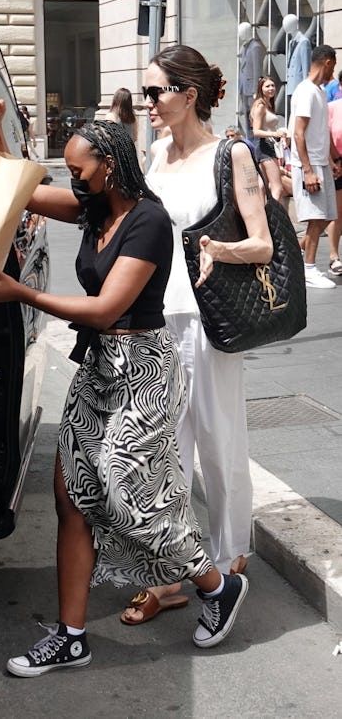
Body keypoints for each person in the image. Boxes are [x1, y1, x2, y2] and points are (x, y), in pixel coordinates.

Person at [0, 103, 249, 674]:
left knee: (133, 502)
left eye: (80, 171)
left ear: (111, 165)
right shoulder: (94, 206)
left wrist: (18, 293)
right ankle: (71, 636)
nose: (73, 181)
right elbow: (22, 191)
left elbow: (105, 308)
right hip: (99, 368)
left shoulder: (148, 219)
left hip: (143, 371)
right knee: (72, 495)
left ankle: (216, 585)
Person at [120, 44, 273, 625]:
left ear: (188, 94)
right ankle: (170, 572)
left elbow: (261, 241)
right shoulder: (156, 152)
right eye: (144, 93)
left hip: (209, 320)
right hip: (157, 318)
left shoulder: (230, 154)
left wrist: (219, 248)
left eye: (156, 92)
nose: (148, 104)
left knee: (217, 435)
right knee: (162, 448)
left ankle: (229, 554)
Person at [288, 44, 341, 289]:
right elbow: (298, 134)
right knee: (315, 218)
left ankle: (293, 258)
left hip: (320, 164)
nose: (335, 69)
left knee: (325, 217)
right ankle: (308, 269)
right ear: (328, 61)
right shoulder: (306, 91)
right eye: (335, 63)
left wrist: (332, 160)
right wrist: (307, 170)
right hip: (308, 166)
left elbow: (322, 133)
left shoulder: (319, 92)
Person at [250, 76, 288, 201]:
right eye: (267, 86)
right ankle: (272, 217)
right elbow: (256, 131)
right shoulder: (260, 105)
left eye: (273, 85)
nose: (271, 88)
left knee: (262, 185)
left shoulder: (267, 104)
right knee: (277, 187)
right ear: (261, 88)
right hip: (266, 146)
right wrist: (275, 134)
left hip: (266, 146)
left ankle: (262, 215)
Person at [326, 97, 342, 276]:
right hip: (338, 161)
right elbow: (327, 136)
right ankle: (333, 255)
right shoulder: (332, 107)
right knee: (337, 212)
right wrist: (334, 160)